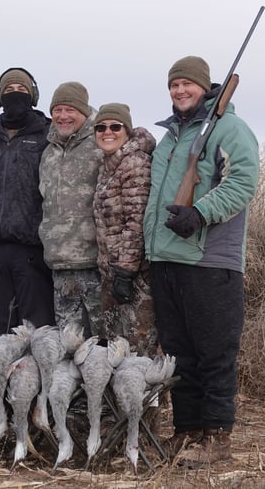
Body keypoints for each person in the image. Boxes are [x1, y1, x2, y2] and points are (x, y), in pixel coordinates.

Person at [143, 56, 259, 466]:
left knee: (214, 353)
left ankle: (217, 439)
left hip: (210, 262)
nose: (179, 91)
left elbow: (244, 181)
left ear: (204, 87)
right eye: (173, 85)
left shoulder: (230, 128)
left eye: (186, 84)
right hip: (165, 260)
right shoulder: (170, 137)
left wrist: (201, 213)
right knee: (180, 353)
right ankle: (188, 430)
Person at [0, 67, 55, 334]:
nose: (15, 94)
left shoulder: (47, 135)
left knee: (37, 328)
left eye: (21, 90)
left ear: (33, 95)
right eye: (9, 90)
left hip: (31, 249)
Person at [92, 103, 157, 355]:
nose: (107, 132)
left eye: (115, 126)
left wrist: (126, 273)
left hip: (134, 278)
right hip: (112, 273)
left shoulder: (135, 163)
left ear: (127, 130)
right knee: (113, 352)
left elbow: (137, 221)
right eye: (101, 127)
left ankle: (149, 396)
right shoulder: (107, 165)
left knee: (137, 355)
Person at [38, 81, 101, 336]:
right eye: (57, 110)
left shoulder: (100, 143)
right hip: (60, 264)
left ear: (84, 112)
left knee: (101, 343)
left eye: (70, 110)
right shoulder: (48, 152)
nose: (63, 116)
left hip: (94, 263)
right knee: (68, 343)